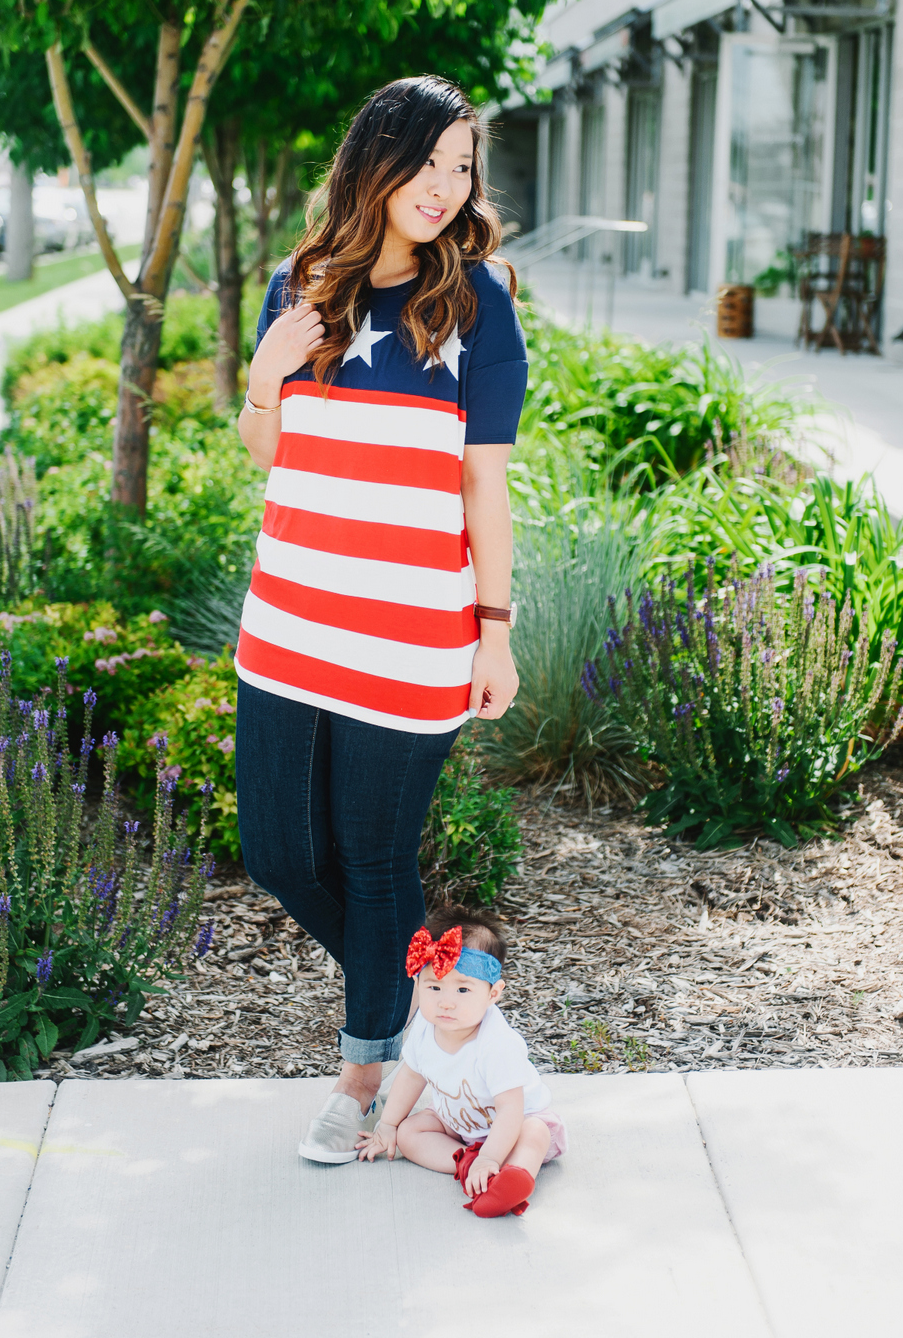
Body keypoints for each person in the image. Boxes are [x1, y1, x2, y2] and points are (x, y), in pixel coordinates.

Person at [234, 76, 528, 1164]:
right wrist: (265, 376)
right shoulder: (301, 283)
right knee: (276, 852)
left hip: (411, 635)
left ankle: (367, 1078)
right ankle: (438, 1010)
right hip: (288, 623)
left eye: (465, 167)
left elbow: (483, 487)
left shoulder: (478, 302)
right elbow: (271, 456)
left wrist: (494, 626)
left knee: (372, 855)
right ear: (376, 158)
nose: (448, 187)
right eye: (431, 161)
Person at [355, 906, 567, 1217]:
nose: (446, 1001)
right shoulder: (426, 1029)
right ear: (417, 986)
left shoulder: (496, 1044)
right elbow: (412, 1077)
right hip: (457, 1124)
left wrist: (492, 1156)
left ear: (492, 993)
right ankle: (467, 1164)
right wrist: (387, 1126)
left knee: (535, 1133)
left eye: (463, 988)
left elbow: (510, 1109)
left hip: (515, 1123)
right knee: (410, 1133)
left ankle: (514, 1176)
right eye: (434, 986)